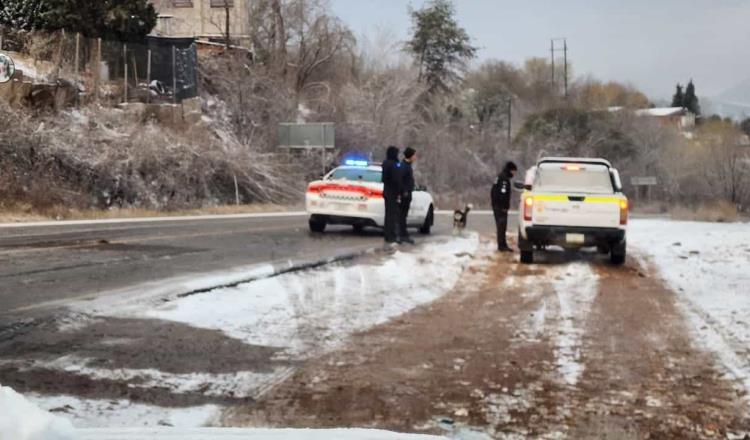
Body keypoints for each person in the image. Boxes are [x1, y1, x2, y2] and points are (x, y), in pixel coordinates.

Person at [491, 161, 518, 252]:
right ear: (510, 170)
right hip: (500, 206)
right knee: (502, 226)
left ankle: (502, 244)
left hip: (496, 205)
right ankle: (502, 245)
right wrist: (504, 206)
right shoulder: (504, 180)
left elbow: (493, 191)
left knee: (500, 226)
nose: (514, 174)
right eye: (514, 171)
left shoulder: (499, 177)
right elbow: (503, 193)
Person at [381, 146, 403, 244]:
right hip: (393, 192)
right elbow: (397, 178)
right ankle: (391, 235)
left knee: (388, 214)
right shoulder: (394, 164)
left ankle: (387, 234)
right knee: (392, 215)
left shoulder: (385, 163)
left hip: (387, 190)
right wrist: (400, 190)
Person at [398, 147, 417, 244]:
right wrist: (404, 191)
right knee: (402, 215)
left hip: (407, 193)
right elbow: (401, 180)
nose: (415, 157)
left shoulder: (407, 165)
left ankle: (403, 234)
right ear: (410, 155)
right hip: (405, 194)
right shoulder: (404, 166)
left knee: (403, 215)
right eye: (414, 155)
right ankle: (402, 235)